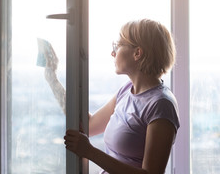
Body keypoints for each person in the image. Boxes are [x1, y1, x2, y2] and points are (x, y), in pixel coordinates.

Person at [43, 19, 180, 174]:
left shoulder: (161, 105)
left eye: (118, 45)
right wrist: (52, 78)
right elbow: (87, 125)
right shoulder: (127, 90)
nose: (113, 52)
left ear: (137, 53)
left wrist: (90, 152)